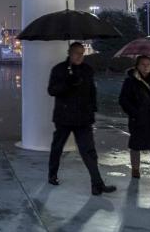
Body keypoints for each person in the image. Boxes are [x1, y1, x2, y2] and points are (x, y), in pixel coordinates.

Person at [47, 42, 117, 195]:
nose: (80, 56)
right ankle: (52, 175)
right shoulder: (59, 69)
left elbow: (92, 91)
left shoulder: (87, 70)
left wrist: (92, 110)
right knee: (57, 148)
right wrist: (68, 83)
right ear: (70, 53)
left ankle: (97, 184)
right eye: (77, 53)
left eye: (82, 53)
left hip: (83, 118)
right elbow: (52, 90)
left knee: (89, 151)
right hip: (64, 117)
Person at [118, 55, 150, 186]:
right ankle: (135, 170)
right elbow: (123, 100)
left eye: (149, 64)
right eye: (143, 64)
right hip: (138, 118)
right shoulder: (130, 81)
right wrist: (135, 113)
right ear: (137, 66)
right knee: (136, 145)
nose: (146, 66)